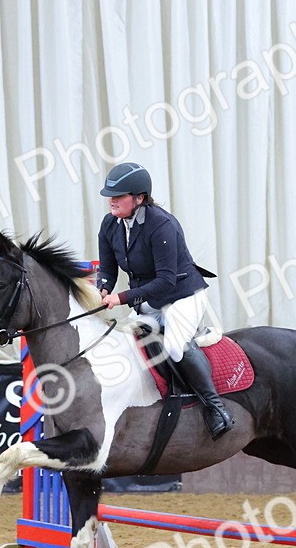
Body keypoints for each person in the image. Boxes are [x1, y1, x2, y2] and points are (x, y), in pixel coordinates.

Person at [94, 162, 234, 440]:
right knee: (125, 342)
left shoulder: (161, 225)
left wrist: (120, 298)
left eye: (119, 195)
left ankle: (216, 408)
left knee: (174, 346)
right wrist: (104, 287)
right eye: (111, 195)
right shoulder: (110, 224)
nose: (112, 200)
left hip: (182, 296)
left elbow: (166, 280)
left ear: (139, 198)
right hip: (149, 301)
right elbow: (108, 268)